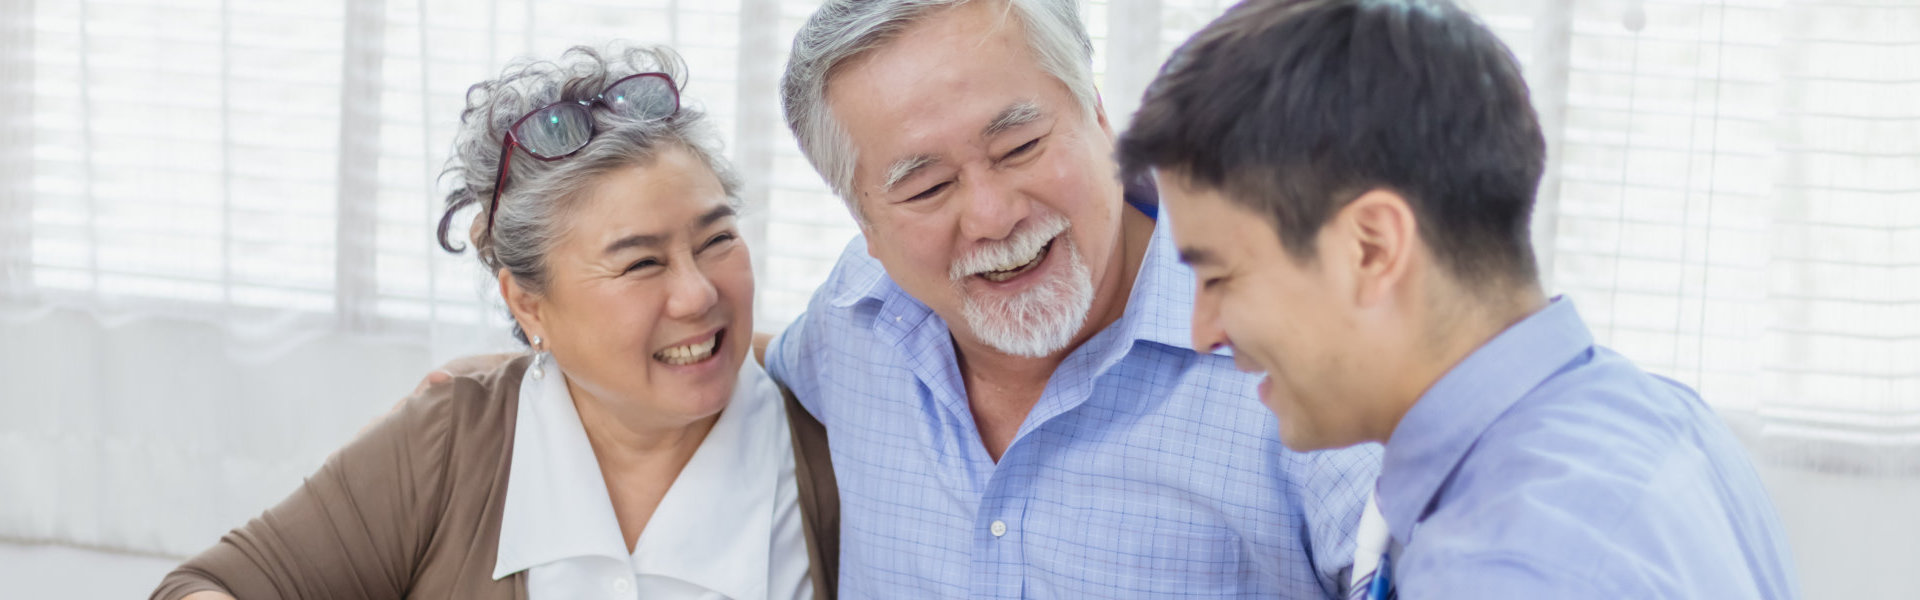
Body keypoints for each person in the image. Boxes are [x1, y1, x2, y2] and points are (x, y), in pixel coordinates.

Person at [1118, 0, 1800, 597]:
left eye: (1218, 276)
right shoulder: (1656, 415)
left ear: (1372, 249)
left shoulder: (1507, 569)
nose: (1203, 330)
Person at [152, 44, 837, 600]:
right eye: (639, 264)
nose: (696, 295)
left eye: (716, 240)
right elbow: (206, 585)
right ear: (528, 305)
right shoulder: (453, 440)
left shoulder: (835, 437)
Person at [766, 0, 1378, 596]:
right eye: (926, 187)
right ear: (865, 227)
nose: (993, 217)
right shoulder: (853, 316)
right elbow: (742, 370)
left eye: (1020, 147)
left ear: (1100, 116)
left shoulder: (1316, 362)